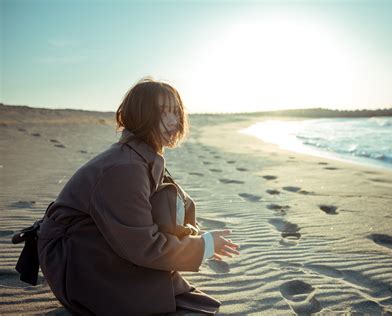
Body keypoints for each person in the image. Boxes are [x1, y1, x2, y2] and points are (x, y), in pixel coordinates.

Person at [21, 77, 240, 315]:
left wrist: (195, 240)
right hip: (75, 263)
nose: (173, 121)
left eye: (176, 112)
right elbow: (144, 246)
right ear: (141, 116)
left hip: (96, 249)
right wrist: (203, 246)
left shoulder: (141, 155)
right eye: (162, 112)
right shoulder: (125, 167)